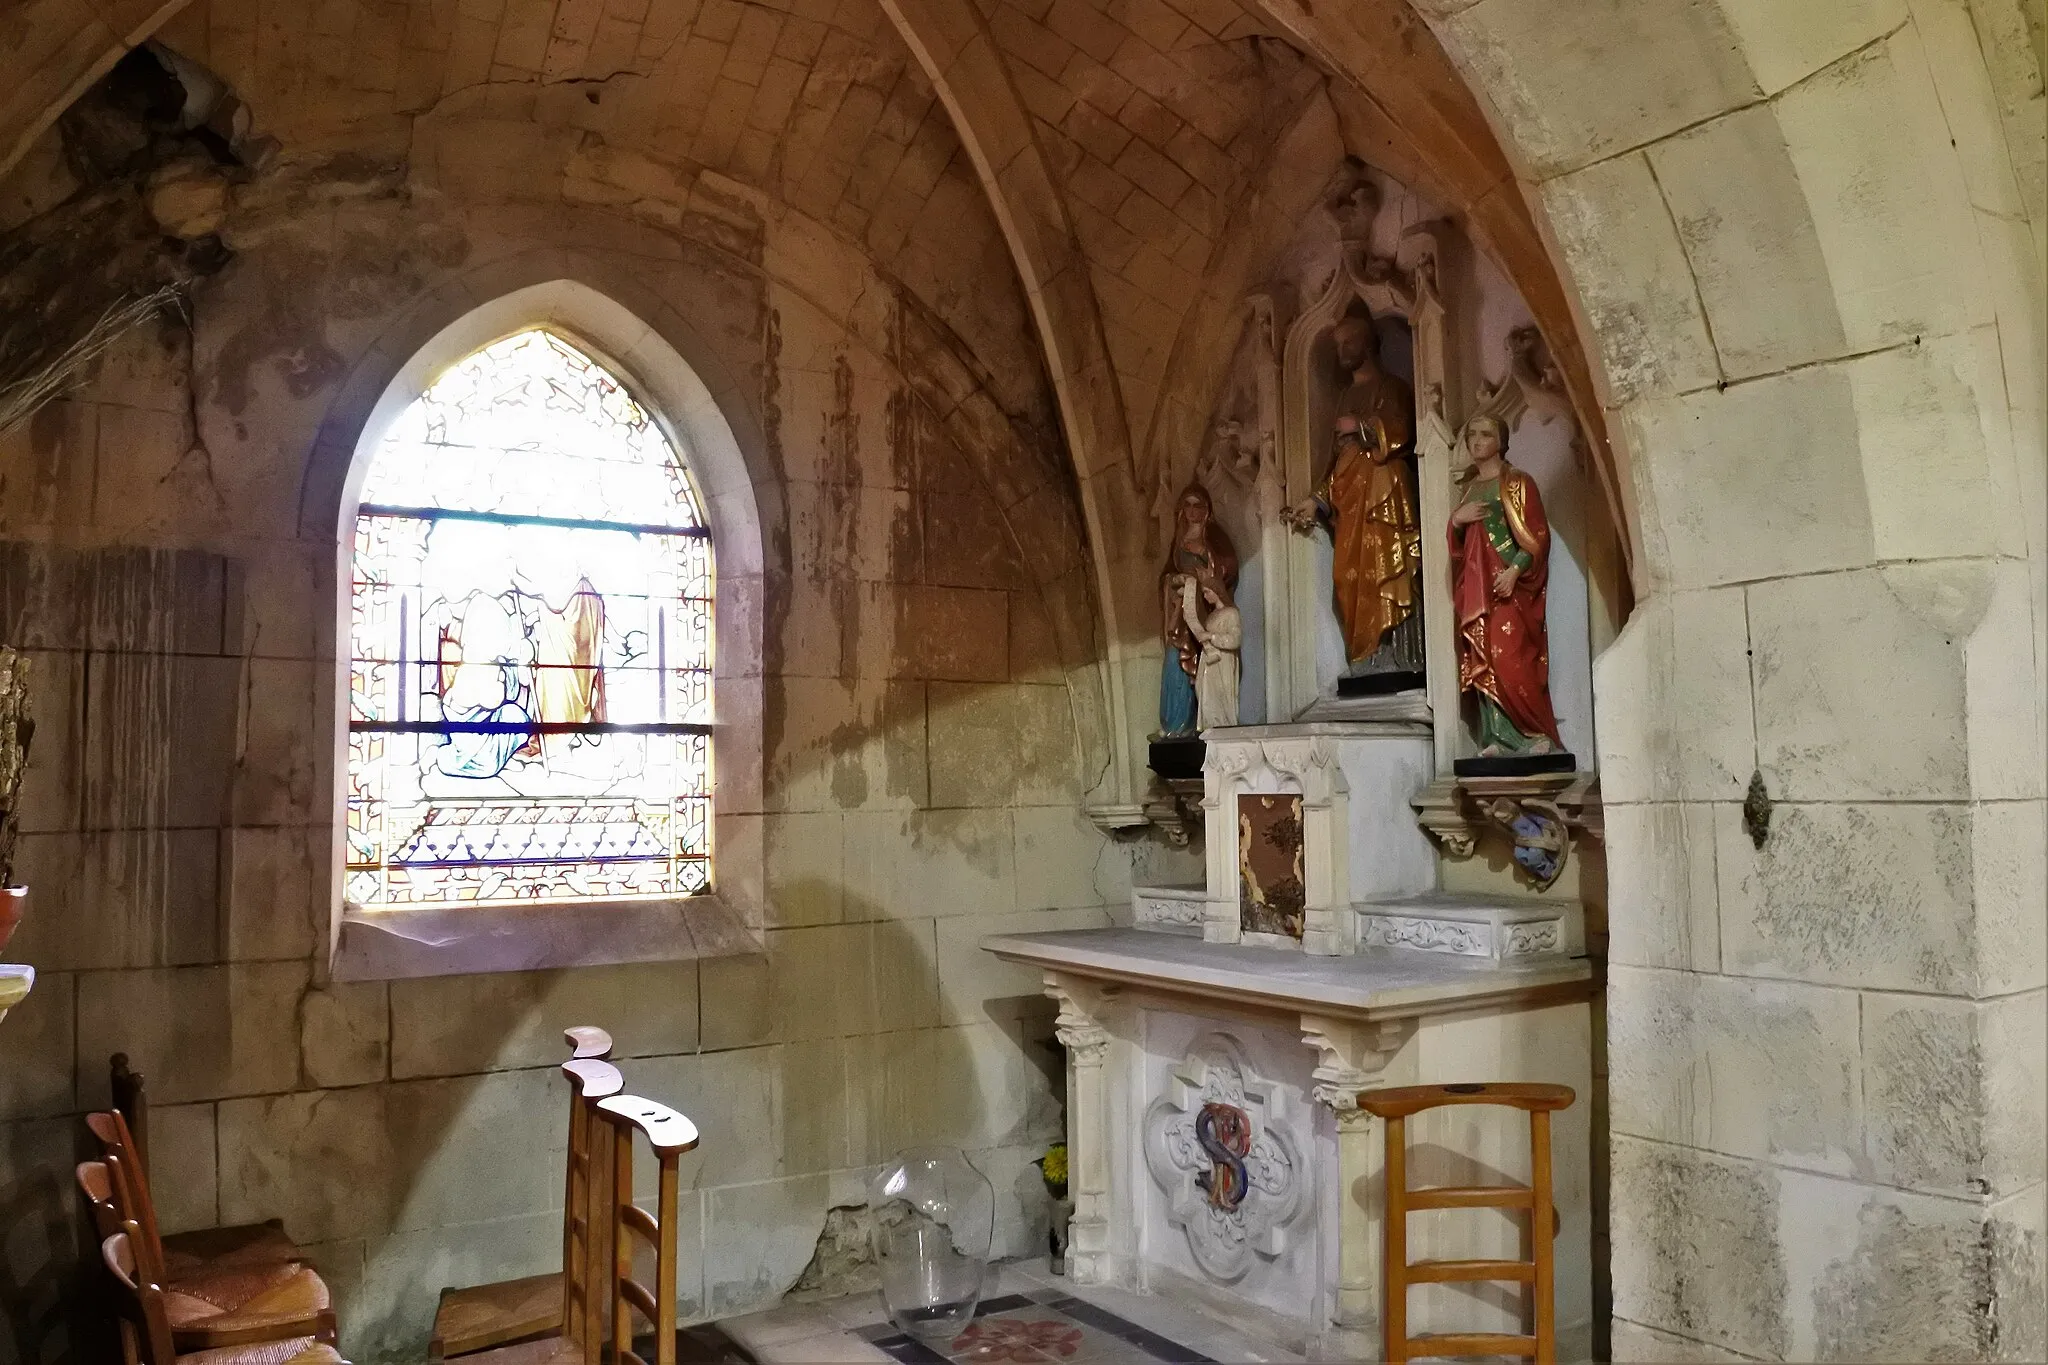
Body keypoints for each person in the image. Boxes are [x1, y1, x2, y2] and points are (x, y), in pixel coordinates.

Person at [1282, 316, 1421, 664]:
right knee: (1347, 578)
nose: (1343, 351)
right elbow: (1338, 462)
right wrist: (1316, 500)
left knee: (1385, 570)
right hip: (1350, 503)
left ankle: (1390, 654)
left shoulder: (1393, 387)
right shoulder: (1344, 395)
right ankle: (1361, 655)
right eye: (1339, 345)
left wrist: (1361, 426)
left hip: (1383, 493)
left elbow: (1402, 431)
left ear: (1370, 343)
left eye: (1350, 342)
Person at [1449, 415, 1562, 756]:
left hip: (1508, 587)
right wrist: (1457, 519)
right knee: (1484, 656)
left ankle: (1533, 733)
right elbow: (1458, 544)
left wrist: (1514, 572)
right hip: (1477, 588)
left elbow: (1537, 537)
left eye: (1485, 434)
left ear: (1500, 441)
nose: (1477, 441)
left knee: (1512, 657)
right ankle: (1496, 737)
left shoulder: (1517, 482)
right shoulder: (1468, 488)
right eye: (1471, 435)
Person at [1157, 482, 1238, 737]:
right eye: (1188, 506)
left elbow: (1228, 568)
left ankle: (1197, 720)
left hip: (1202, 613)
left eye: (1198, 506)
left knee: (1205, 667)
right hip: (1181, 610)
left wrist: (1206, 565)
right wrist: (1175, 581)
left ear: (1207, 510)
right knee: (1174, 660)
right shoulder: (1178, 542)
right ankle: (1175, 725)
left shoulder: (1214, 539)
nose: (1192, 511)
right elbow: (1167, 574)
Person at [1181, 576, 1241, 731]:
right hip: (1208, 662)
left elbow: (1235, 640)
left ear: (1217, 591)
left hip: (1223, 662)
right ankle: (1210, 726)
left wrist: (1211, 636)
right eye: (1204, 593)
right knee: (1204, 693)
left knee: (1221, 696)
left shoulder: (1231, 613)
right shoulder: (1212, 616)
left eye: (1207, 592)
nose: (1206, 597)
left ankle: (1223, 726)